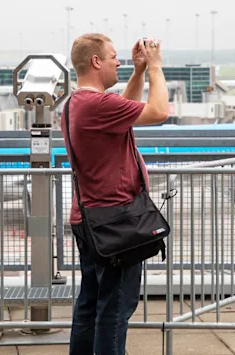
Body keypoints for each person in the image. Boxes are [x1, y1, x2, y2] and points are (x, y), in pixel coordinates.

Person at [61, 33, 169, 355]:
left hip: (91, 219)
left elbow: (125, 111)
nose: (118, 62)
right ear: (96, 62)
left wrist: (136, 73)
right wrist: (155, 67)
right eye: (113, 57)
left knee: (91, 305)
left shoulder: (77, 104)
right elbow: (159, 111)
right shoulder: (96, 104)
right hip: (115, 223)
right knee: (115, 310)